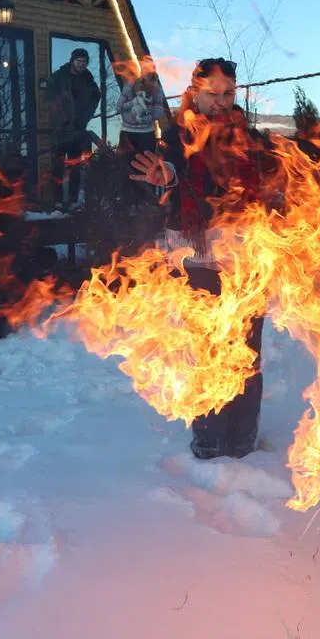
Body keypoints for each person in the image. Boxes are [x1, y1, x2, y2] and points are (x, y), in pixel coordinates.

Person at [129, 57, 277, 460]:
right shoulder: (176, 138)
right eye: (212, 94)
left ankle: (243, 439)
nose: (221, 101)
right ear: (195, 92)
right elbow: (170, 172)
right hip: (198, 260)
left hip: (246, 260)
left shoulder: (250, 137)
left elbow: (271, 184)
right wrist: (166, 177)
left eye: (228, 93)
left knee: (247, 354)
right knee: (208, 349)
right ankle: (210, 441)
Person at [45, 47, 102, 207]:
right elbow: (48, 95)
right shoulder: (60, 76)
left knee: (75, 165)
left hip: (78, 128)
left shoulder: (88, 80)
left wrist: (86, 115)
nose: (82, 64)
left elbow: (96, 96)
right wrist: (59, 114)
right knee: (57, 164)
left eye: (84, 62)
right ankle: (56, 201)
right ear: (72, 61)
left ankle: (72, 200)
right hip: (60, 128)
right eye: (79, 61)